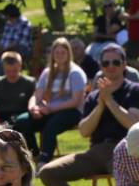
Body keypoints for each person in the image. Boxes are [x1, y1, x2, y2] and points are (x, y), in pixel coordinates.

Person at [39, 43, 139, 186]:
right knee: (47, 172)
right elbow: (84, 131)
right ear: (101, 67)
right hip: (95, 152)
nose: (111, 66)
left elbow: (133, 124)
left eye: (116, 62)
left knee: (130, 179)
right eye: (106, 63)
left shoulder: (136, 91)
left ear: (124, 65)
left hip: (125, 151)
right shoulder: (93, 97)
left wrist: (110, 101)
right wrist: (100, 105)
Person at [12, 38, 87, 167]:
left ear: (69, 54)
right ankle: (33, 155)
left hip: (72, 111)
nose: (59, 55)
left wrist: (50, 108)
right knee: (22, 121)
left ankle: (44, 161)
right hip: (49, 109)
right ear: (52, 54)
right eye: (56, 52)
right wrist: (33, 107)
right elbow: (37, 95)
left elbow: (76, 101)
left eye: (63, 52)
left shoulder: (75, 73)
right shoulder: (47, 73)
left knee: (51, 125)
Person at [0, 4, 32, 82]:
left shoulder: (24, 23)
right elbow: (3, 41)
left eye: (6, 15)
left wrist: (4, 51)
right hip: (4, 52)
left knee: (1, 64)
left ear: (10, 15)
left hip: (19, 51)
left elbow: (20, 44)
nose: (5, 17)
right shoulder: (8, 23)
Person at [0, 51, 35, 124]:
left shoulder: (29, 83)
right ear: (3, 68)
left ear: (20, 66)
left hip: (22, 117)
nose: (12, 74)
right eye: (8, 71)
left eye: (15, 70)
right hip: (1, 117)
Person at [88, 0, 122, 64]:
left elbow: (109, 31)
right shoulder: (99, 19)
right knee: (87, 53)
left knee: (100, 53)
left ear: (114, 6)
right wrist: (108, 36)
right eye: (105, 6)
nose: (107, 8)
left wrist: (108, 20)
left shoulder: (117, 19)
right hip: (97, 43)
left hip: (110, 43)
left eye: (110, 5)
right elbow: (94, 34)